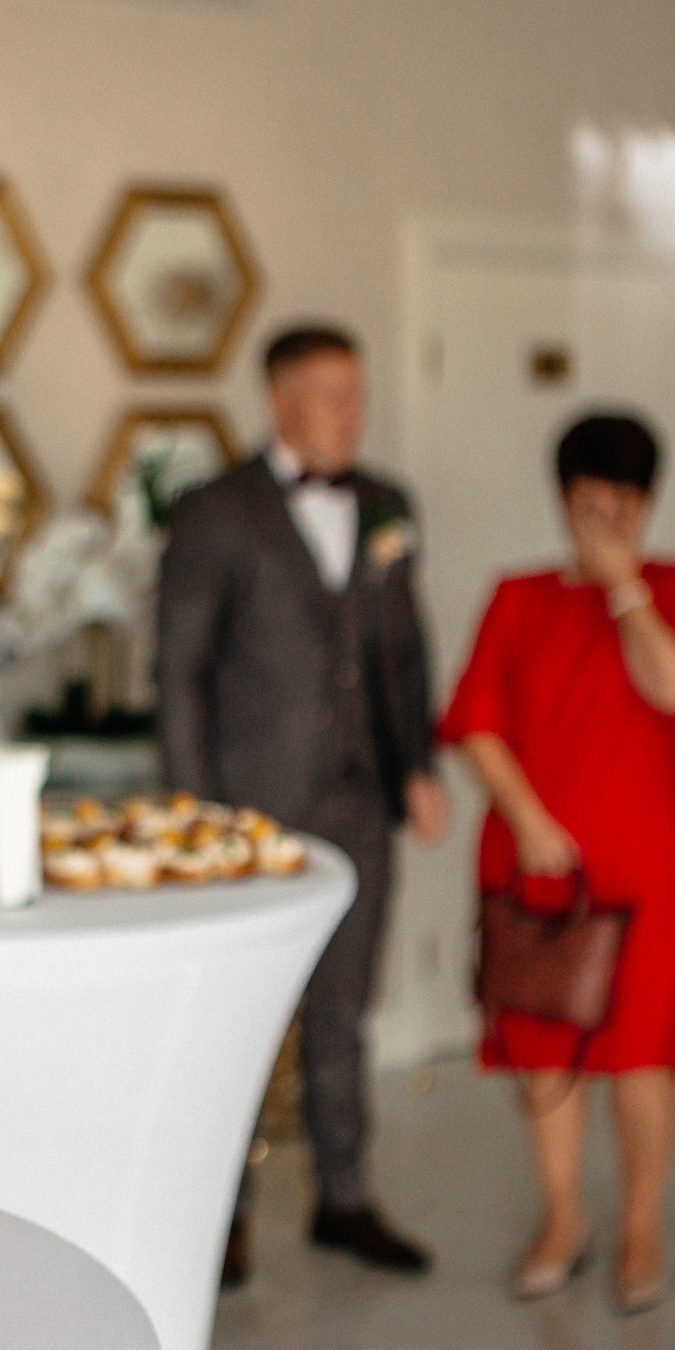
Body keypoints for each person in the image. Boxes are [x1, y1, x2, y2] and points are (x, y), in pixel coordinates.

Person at [157, 323, 450, 1285]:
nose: (350, 415)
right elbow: (181, 675)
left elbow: (403, 648)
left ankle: (347, 1196)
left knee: (345, 1004)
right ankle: (221, 1214)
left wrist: (419, 764)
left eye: (357, 396)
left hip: (362, 797)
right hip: (253, 812)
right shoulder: (215, 511)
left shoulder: (387, 505)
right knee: (243, 1017)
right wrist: (203, 815)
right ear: (281, 401)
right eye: (331, 396)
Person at [438, 411, 675, 1313]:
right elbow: (474, 720)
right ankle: (563, 1214)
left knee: (641, 1050)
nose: (610, 521)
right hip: (538, 863)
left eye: (628, 506)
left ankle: (642, 1221)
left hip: (648, 864)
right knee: (544, 1049)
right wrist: (525, 817)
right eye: (593, 505)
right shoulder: (518, 595)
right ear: (564, 501)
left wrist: (624, 588)